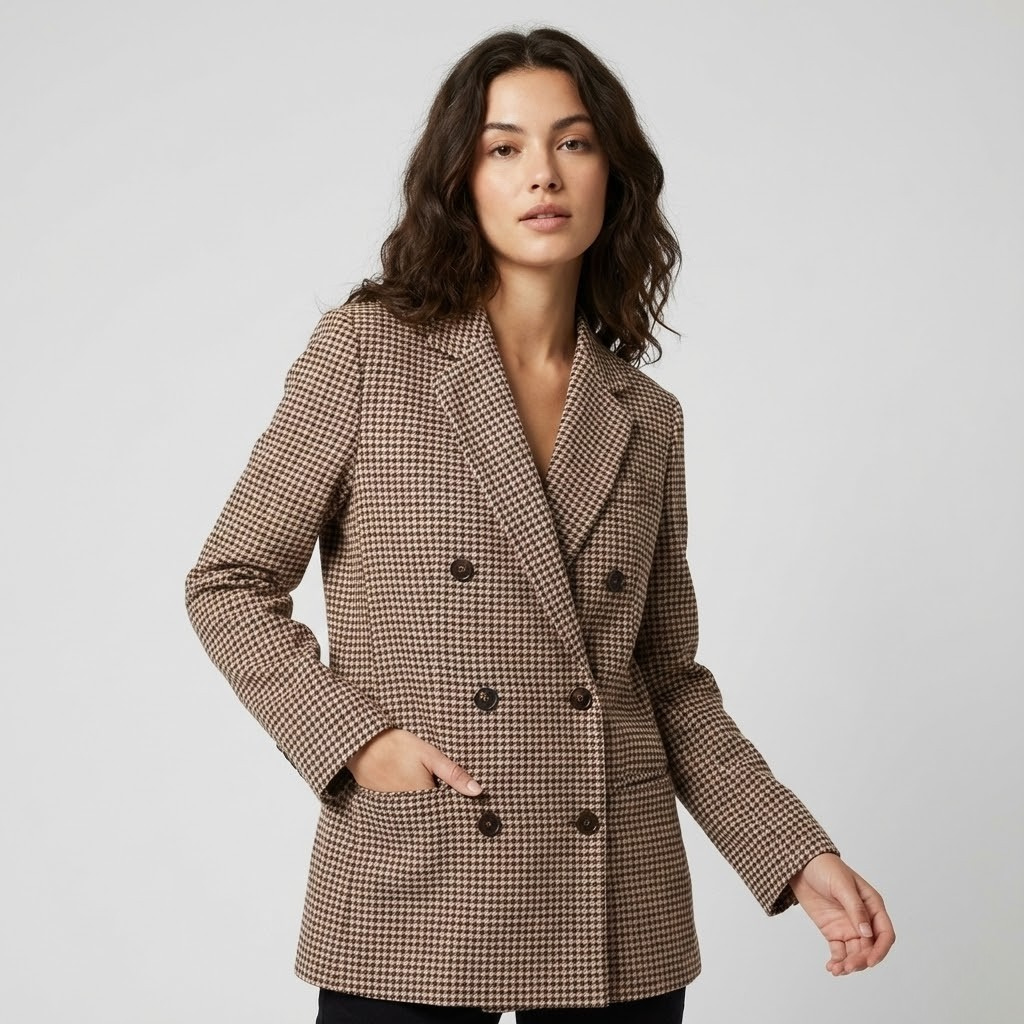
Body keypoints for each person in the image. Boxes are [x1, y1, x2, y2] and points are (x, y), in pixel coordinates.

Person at [184, 26, 894, 1024]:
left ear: (613, 175)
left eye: (573, 142)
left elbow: (665, 679)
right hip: (424, 873)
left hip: (615, 899)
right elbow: (229, 584)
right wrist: (355, 739)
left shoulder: (644, 415)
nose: (542, 174)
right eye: (504, 147)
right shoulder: (369, 353)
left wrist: (793, 852)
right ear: (461, 180)